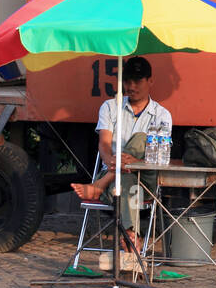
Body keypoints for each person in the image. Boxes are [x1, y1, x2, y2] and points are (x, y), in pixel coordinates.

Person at [71, 56, 172, 257]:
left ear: (150, 81)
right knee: (124, 180)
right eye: (127, 81)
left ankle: (98, 185)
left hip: (146, 179)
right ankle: (132, 236)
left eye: (137, 81)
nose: (131, 86)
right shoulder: (109, 107)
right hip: (118, 182)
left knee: (143, 138)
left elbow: (159, 158)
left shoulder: (162, 115)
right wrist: (114, 162)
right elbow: (104, 145)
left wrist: (135, 163)